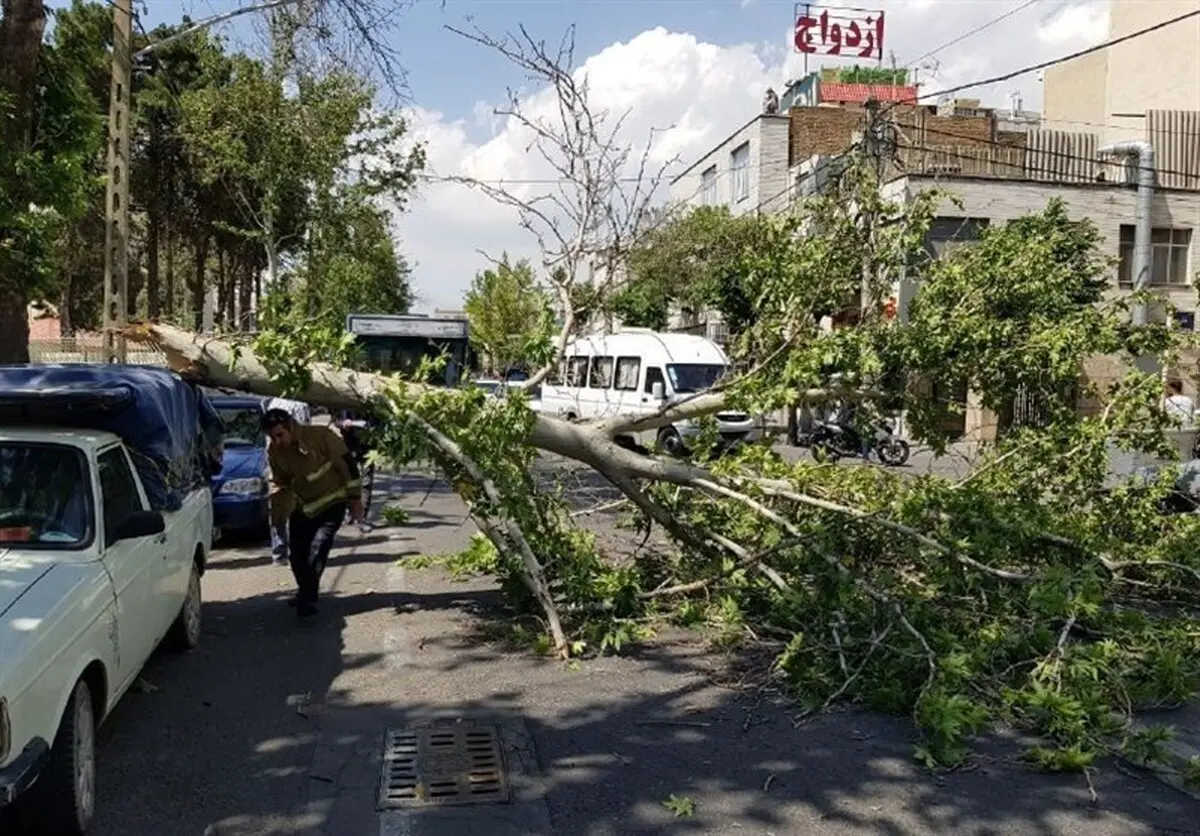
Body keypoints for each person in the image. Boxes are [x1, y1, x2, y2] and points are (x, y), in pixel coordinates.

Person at [262, 409, 365, 619]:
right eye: (272, 437)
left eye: (280, 435)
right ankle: (305, 591)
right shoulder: (276, 451)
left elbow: (348, 465)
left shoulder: (320, 436)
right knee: (297, 556)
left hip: (333, 502)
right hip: (304, 507)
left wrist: (355, 499)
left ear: (291, 426)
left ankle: (307, 598)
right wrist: (278, 512)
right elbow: (281, 483)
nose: (277, 441)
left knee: (318, 547)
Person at [265, 396, 312, 565]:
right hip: (287, 461)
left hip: (280, 461)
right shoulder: (299, 404)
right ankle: (292, 551)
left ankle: (281, 553)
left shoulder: (272, 403)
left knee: (279, 510)